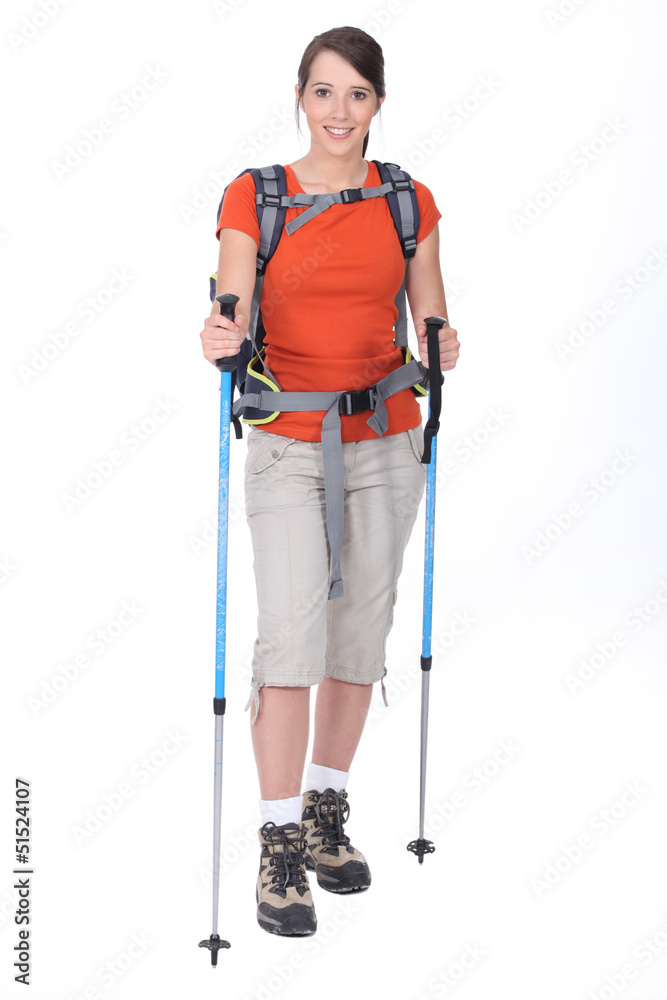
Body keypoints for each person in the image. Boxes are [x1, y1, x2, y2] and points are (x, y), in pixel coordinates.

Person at [200, 25, 460, 937]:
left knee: (360, 628)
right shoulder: (256, 196)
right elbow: (230, 297)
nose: (339, 111)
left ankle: (325, 807)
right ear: (299, 99)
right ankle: (276, 842)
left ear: (378, 102)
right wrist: (221, 336)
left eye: (356, 94)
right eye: (323, 92)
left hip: (386, 438)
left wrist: (442, 343)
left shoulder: (407, 200)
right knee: (293, 626)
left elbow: (429, 311)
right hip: (287, 440)